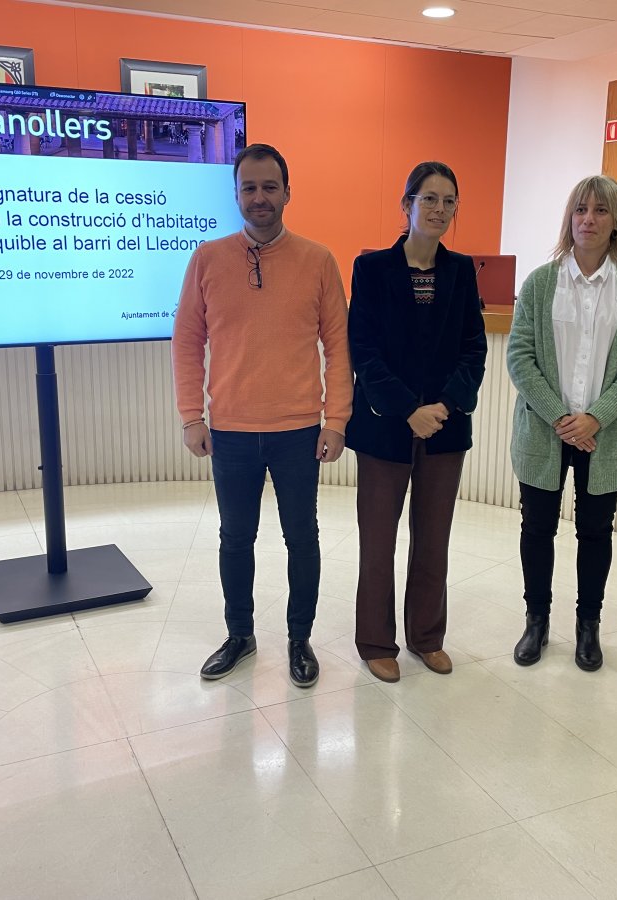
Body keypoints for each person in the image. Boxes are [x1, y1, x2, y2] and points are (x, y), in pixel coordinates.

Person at [171, 143, 353, 688]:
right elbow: (187, 341)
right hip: (228, 431)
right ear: (236, 194)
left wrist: (337, 419)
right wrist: (190, 415)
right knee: (235, 539)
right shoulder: (207, 258)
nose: (259, 197)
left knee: (303, 537)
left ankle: (300, 639)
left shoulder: (318, 260)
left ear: (287, 193)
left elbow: (339, 345)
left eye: (269, 187)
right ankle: (240, 634)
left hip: (299, 430)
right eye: (249, 187)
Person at [345, 161, 487, 683]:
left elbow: (474, 349)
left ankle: (427, 636)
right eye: (429, 198)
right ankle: (376, 640)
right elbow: (364, 350)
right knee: (378, 540)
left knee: (434, 539)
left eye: (449, 201)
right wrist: (408, 408)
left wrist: (443, 407)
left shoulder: (461, 271)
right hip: (385, 428)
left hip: (444, 430)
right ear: (406, 204)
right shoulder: (373, 269)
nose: (439, 210)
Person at [507, 175, 617, 672]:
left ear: (616, 223)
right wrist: (561, 417)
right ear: (569, 219)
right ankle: (536, 621)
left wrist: (594, 418)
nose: (589, 219)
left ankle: (588, 627)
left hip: (603, 435)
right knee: (537, 528)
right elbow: (520, 357)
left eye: (601, 211)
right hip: (543, 431)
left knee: (596, 532)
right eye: (581, 210)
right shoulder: (541, 282)